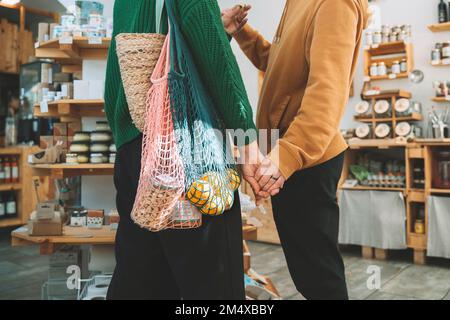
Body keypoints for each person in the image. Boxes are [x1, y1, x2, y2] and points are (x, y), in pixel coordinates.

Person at [104, 0, 261, 300]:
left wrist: (215, 28)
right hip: (188, 149)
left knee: (142, 278)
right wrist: (248, 141)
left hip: (134, 151)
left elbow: (125, 79)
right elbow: (218, 64)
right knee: (214, 288)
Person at [222, 0, 369, 300]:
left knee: (319, 276)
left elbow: (326, 96)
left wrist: (287, 155)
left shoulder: (335, 4)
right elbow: (277, 62)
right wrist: (243, 32)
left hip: (306, 158)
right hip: (289, 152)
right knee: (307, 270)